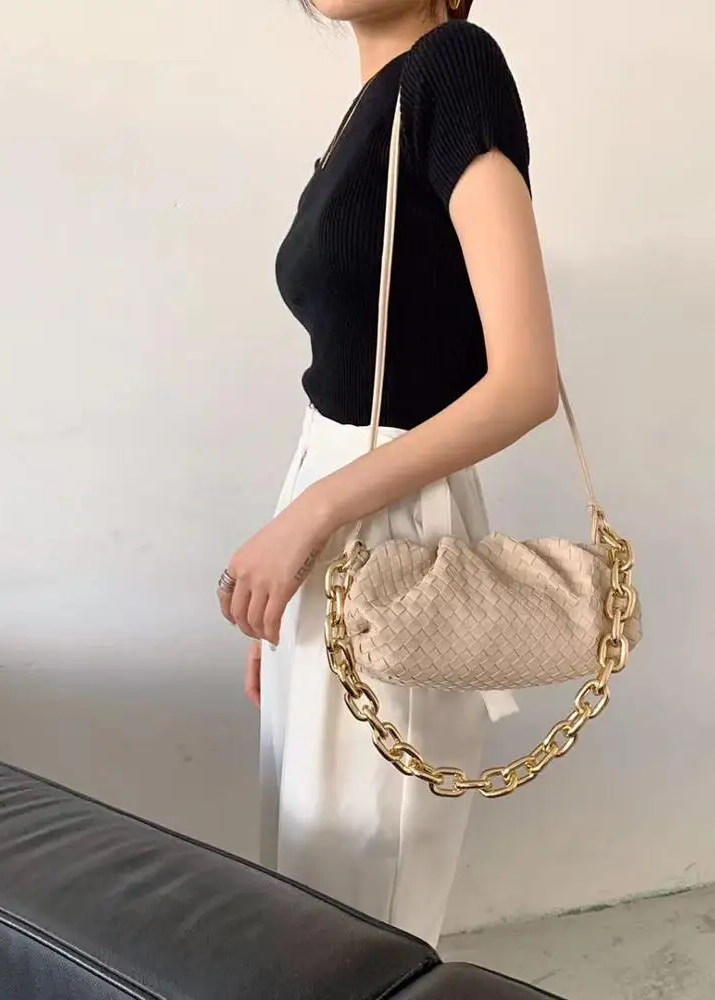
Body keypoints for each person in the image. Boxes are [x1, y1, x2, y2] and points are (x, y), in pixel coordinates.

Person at [216, 0, 559, 946]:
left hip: (390, 532)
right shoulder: (370, 111)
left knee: (362, 897)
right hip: (332, 514)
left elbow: (525, 383)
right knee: (308, 875)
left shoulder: (455, 66)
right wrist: (294, 552)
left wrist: (308, 521)